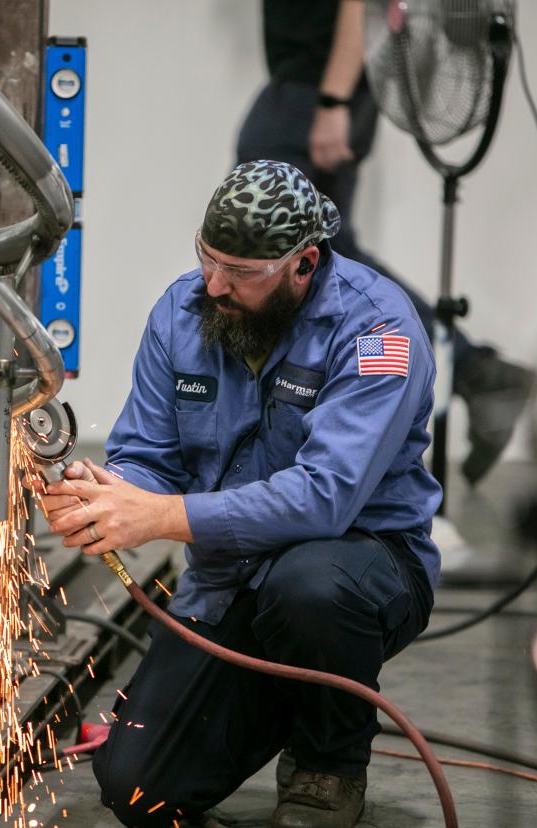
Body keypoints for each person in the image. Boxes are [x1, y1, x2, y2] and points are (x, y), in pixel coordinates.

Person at [39, 161, 438, 828]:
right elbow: (148, 458)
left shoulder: (378, 334)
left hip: (360, 569)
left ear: (304, 264)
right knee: (136, 786)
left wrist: (161, 517)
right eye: (208, 259)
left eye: (243, 273)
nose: (215, 285)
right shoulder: (181, 311)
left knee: (308, 589)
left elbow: (324, 498)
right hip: (231, 581)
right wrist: (104, 496)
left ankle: (326, 766)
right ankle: (278, 694)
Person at [236, 0, 536, 486]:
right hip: (313, 92)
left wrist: (333, 101)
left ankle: (474, 370)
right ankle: (475, 371)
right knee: (324, 258)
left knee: (305, 258)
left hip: (314, 94)